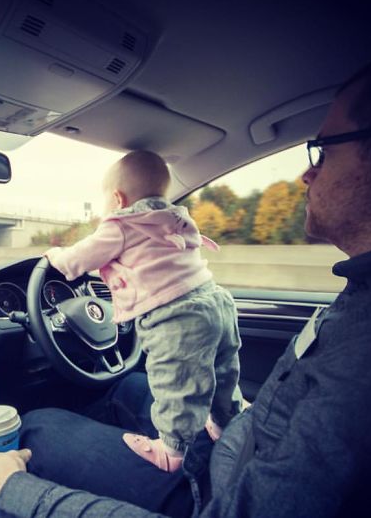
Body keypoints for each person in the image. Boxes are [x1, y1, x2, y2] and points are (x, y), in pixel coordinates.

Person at [0, 43, 371, 518]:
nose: (307, 174)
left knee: (36, 428)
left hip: (218, 492)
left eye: (324, 151)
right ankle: (216, 421)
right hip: (220, 341)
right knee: (146, 385)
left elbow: (77, 260)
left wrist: (10, 493)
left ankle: (170, 449)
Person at [43, 149, 243, 473]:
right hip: (216, 301)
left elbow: (78, 260)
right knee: (223, 370)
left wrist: (55, 255)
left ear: (118, 199)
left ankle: (172, 451)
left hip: (177, 316)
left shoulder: (121, 224)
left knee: (175, 382)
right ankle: (225, 423)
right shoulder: (176, 219)